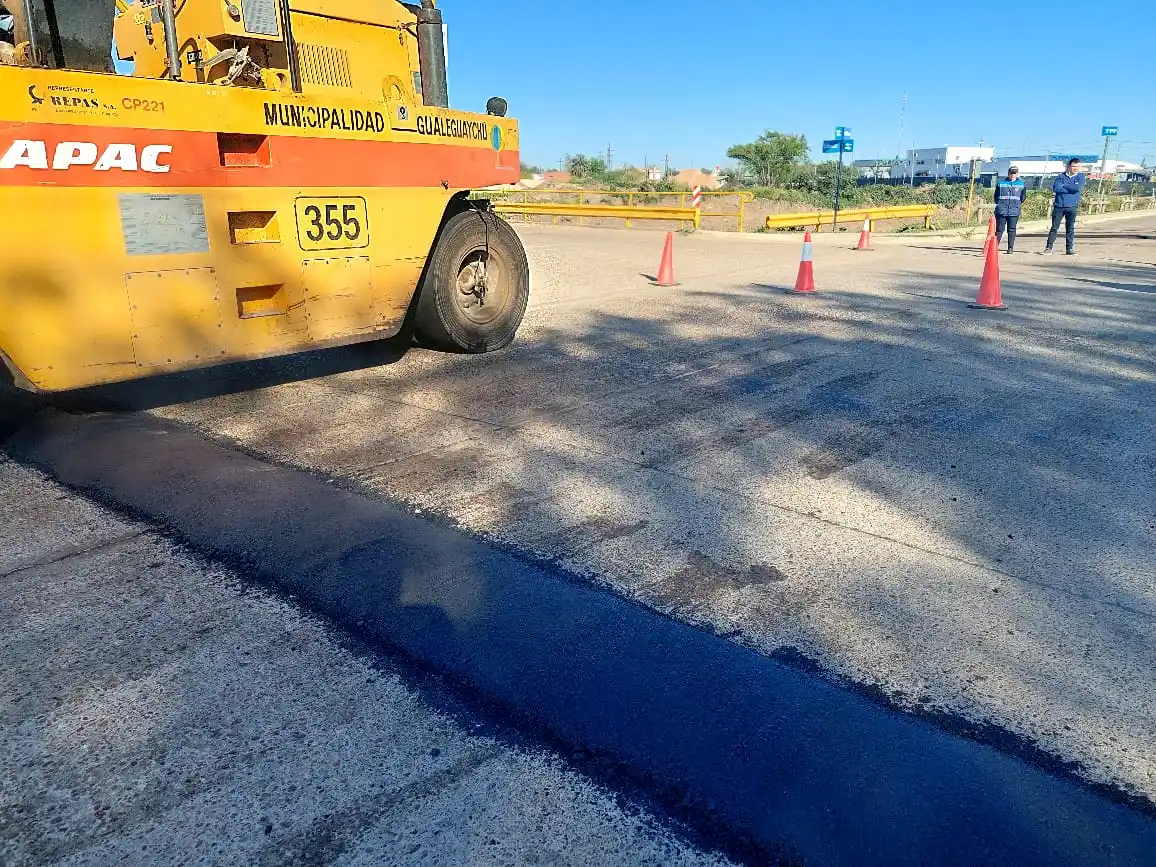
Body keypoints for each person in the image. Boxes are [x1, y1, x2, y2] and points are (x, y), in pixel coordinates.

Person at [1044, 157, 1086, 256]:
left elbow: (1077, 188)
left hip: (1072, 206)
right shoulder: (1060, 177)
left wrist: (1065, 186)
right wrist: (1069, 188)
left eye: (1078, 166)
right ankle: (1048, 247)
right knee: (1054, 227)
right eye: (1073, 166)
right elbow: (1056, 188)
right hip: (1059, 206)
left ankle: (1069, 249)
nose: (1076, 168)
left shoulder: (1080, 177)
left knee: (1070, 228)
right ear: (1068, 166)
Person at [993, 166, 1026, 253]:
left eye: (1014, 173)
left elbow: (1023, 198)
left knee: (1011, 230)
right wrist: (1000, 204)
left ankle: (1010, 248)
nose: (1013, 175)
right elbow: (996, 196)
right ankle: (995, 247)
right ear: (1008, 173)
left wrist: (1016, 204)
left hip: (1014, 210)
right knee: (999, 230)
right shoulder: (1000, 184)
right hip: (1001, 210)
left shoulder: (1021, 184)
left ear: (1017, 174)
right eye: (1011, 173)